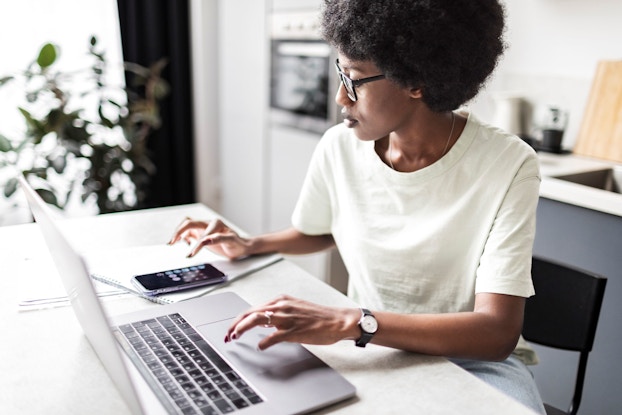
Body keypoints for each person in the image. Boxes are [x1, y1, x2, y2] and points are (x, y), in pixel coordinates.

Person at [168, 1, 545, 413]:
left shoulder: (508, 164)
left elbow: (495, 333)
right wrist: (251, 244)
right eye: (339, 73)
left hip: (471, 366)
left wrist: (350, 322)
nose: (339, 97)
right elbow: (323, 228)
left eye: (355, 80)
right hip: (373, 352)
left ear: (415, 79)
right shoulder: (340, 148)